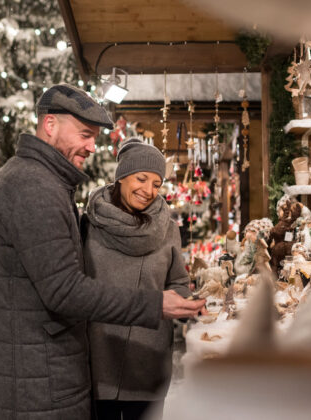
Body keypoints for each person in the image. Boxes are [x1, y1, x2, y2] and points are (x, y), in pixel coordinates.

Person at [0, 84, 206, 420]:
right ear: (50, 125)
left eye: (94, 137)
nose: (91, 146)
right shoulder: (33, 188)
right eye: (85, 134)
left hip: (33, 370)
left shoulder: (40, 180)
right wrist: (155, 303)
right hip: (35, 380)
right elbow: (64, 290)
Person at [83, 138, 193, 420]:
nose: (148, 190)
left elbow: (178, 282)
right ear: (121, 177)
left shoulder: (167, 229)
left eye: (156, 184)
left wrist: (186, 304)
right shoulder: (89, 224)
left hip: (147, 359)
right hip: (98, 359)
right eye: (141, 179)